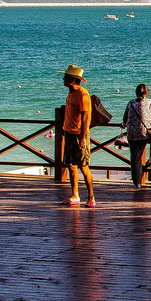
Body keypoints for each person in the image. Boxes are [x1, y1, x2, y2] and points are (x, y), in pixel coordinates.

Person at [58, 65, 96, 207]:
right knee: (70, 165)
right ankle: (75, 195)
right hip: (68, 132)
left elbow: (86, 118)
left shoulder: (83, 94)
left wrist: (82, 138)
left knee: (83, 166)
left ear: (73, 80)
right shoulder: (70, 93)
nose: (63, 79)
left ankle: (91, 197)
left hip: (79, 134)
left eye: (66, 77)